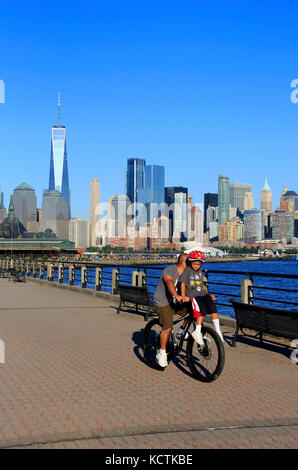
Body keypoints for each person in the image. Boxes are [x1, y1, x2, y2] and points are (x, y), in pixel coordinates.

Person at [180, 250, 224, 346]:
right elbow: (182, 283)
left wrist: (208, 294)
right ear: (190, 262)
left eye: (199, 264)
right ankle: (197, 330)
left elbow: (202, 284)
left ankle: (218, 330)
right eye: (195, 264)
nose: (197, 266)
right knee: (201, 310)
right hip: (193, 295)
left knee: (213, 308)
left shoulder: (199, 271)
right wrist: (183, 296)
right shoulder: (187, 270)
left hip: (202, 294)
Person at [153, 253, 188, 367]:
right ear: (184, 263)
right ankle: (162, 353)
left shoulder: (188, 274)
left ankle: (182, 331)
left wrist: (206, 294)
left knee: (191, 312)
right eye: (191, 263)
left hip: (176, 302)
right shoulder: (170, 270)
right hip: (163, 302)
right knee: (167, 326)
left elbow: (198, 285)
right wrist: (176, 295)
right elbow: (169, 283)